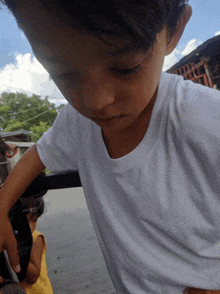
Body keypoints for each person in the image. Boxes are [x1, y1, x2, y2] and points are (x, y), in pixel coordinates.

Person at [0, 0, 220, 293]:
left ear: (173, 30)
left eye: (126, 68)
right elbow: (38, 154)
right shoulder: (75, 123)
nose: (95, 102)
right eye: (63, 73)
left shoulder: (208, 120)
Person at [19, 198, 53, 294]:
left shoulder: (36, 239)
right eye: (25, 221)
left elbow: (33, 277)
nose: (30, 227)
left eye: (34, 220)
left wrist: (16, 249)